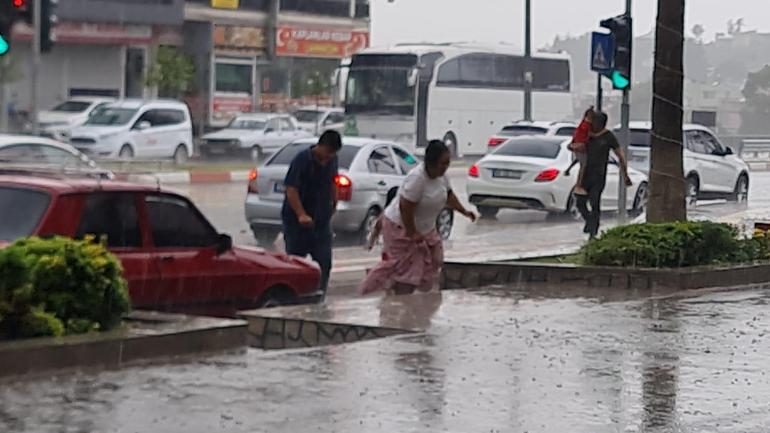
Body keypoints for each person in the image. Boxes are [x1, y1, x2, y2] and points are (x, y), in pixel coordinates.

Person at [359, 140, 476, 296]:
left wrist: (464, 211)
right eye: (443, 163)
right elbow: (405, 207)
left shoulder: (442, 177)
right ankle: (394, 300)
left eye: (448, 163)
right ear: (431, 162)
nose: (446, 167)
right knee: (404, 271)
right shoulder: (417, 179)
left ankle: (412, 300)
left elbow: (449, 195)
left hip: (426, 230)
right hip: (400, 228)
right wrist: (412, 232)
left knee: (434, 260)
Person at [282, 130, 342, 297]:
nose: (329, 157)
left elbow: (333, 181)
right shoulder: (302, 160)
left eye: (333, 154)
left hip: (321, 221)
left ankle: (319, 295)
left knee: (324, 261)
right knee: (296, 262)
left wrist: (334, 201)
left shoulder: (332, 160)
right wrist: (301, 214)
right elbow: (291, 189)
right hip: (297, 222)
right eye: (328, 152)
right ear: (320, 146)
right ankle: (294, 297)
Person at [577, 111, 632, 239]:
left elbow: (620, 156)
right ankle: (590, 221)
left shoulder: (608, 137)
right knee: (580, 202)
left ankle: (593, 232)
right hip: (584, 174)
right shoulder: (587, 134)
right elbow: (576, 145)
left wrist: (625, 175)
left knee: (594, 202)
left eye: (596, 122)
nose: (594, 124)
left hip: (598, 175)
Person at [564, 107, 595, 195]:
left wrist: (572, 143)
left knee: (579, 160)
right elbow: (588, 135)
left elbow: (576, 134)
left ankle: (569, 170)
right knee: (583, 166)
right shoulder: (588, 125)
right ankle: (579, 184)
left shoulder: (582, 124)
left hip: (577, 145)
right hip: (581, 146)